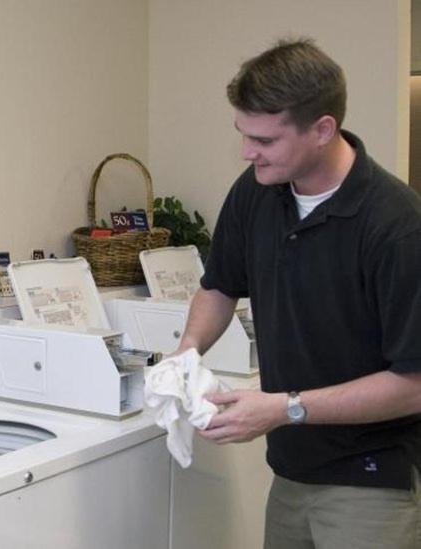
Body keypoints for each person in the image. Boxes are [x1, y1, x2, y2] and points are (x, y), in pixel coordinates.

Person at [176, 38, 421, 548]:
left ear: (322, 129)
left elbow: (413, 382)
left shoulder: (396, 225)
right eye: (243, 135)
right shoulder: (258, 190)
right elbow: (219, 285)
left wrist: (283, 407)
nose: (248, 152)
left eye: (264, 140)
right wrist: (185, 354)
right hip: (291, 469)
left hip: (371, 479)